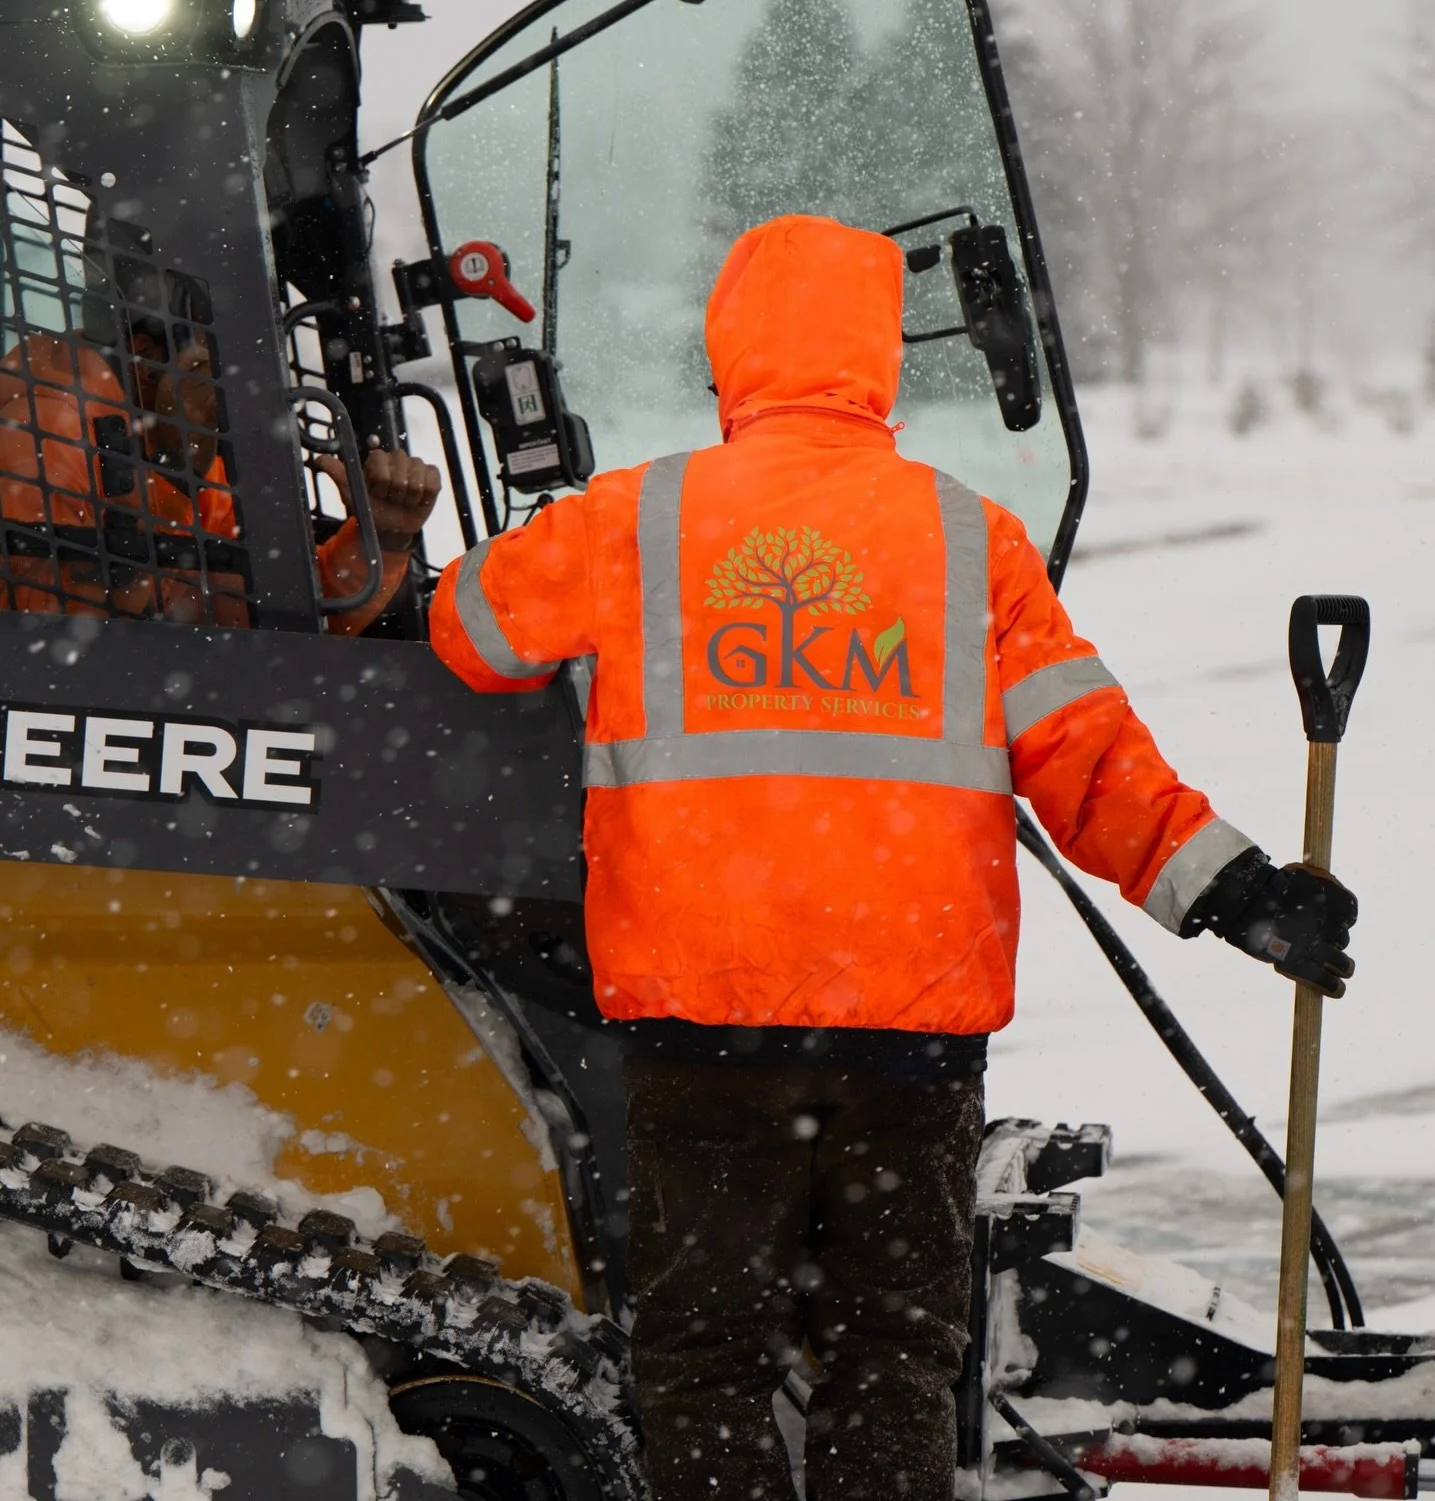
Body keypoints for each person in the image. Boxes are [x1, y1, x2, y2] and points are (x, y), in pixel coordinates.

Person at [427, 214, 1358, 1501]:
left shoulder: (638, 520)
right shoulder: (971, 541)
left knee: (705, 1351)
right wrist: (1239, 890)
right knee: (898, 1351)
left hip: (707, 1024)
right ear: (880, 360)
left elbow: (469, 632)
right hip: (911, 1034)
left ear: (727, 356)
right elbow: (1091, 762)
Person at [0, 251, 439, 630]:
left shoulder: (188, 456)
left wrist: (380, 540)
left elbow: (276, 621)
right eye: (219, 358)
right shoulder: (41, 440)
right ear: (147, 360)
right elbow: (64, 647)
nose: (242, 382)